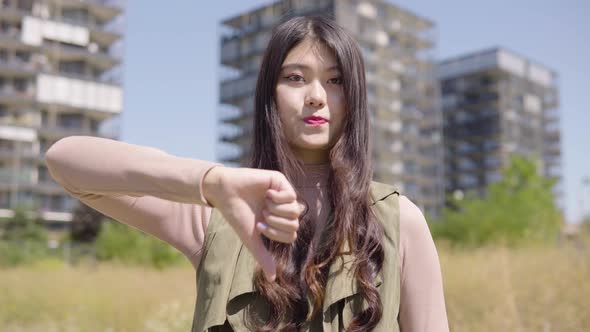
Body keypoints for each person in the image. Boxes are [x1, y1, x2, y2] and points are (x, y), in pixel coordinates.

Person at [46, 15, 448, 332]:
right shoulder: (217, 213)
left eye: (335, 80)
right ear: (269, 94)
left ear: (354, 96)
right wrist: (211, 181)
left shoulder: (398, 220)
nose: (316, 95)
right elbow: (66, 161)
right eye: (295, 77)